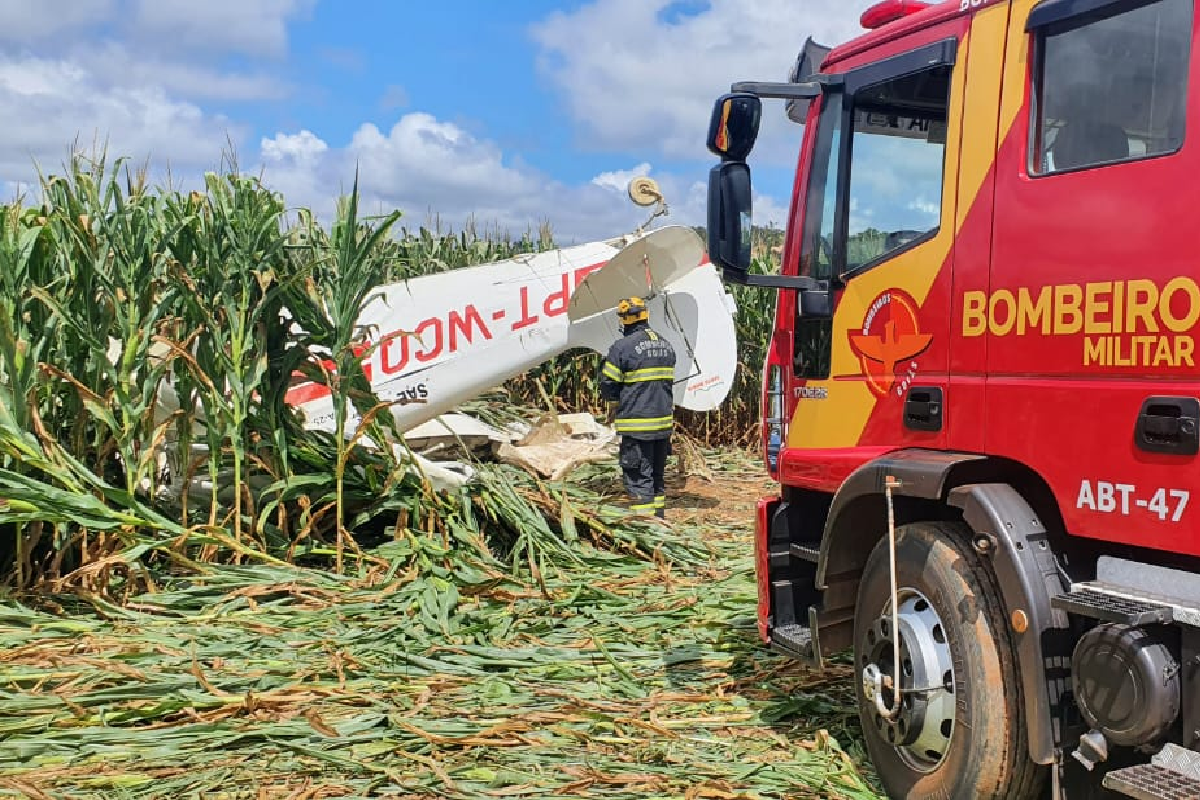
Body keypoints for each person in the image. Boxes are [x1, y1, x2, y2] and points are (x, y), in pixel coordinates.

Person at [598, 296, 677, 519]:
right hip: (662, 426)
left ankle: (644, 527)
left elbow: (609, 383)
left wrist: (614, 404)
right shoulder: (665, 345)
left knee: (639, 477)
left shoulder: (622, 347)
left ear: (625, 320)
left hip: (637, 426)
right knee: (657, 477)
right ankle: (659, 520)